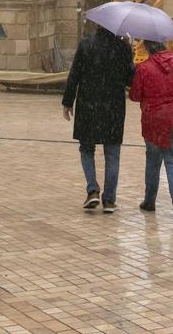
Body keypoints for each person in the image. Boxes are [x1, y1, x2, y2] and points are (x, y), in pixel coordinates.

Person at [62, 25, 134, 213]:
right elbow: (130, 80)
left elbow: (74, 75)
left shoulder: (86, 45)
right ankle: (109, 200)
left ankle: (92, 190)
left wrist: (68, 101)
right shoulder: (122, 48)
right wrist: (129, 53)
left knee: (87, 148)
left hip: (88, 105)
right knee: (112, 153)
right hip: (113, 108)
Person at [129, 40, 173, 219]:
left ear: (148, 47)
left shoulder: (144, 68)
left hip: (154, 121)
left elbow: (134, 95)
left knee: (153, 161)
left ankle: (149, 201)